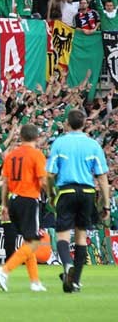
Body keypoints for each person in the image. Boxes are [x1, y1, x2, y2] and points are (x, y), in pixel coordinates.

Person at [46, 109, 110, 293]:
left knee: (63, 235)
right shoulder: (93, 145)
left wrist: (51, 193)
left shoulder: (60, 143)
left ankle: (67, 265)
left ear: (67, 123)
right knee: (81, 236)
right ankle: (75, 281)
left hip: (66, 190)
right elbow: (102, 177)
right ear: (84, 124)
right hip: (88, 191)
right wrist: (105, 203)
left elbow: (49, 174)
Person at [0, 124, 48, 292]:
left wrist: (4, 204)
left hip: (14, 200)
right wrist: (52, 196)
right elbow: (43, 180)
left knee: (27, 241)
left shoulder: (11, 156)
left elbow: (5, 183)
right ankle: (4, 270)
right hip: (29, 199)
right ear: (37, 137)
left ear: (21, 137)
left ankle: (35, 281)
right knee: (34, 242)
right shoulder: (37, 154)